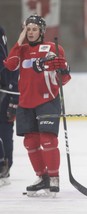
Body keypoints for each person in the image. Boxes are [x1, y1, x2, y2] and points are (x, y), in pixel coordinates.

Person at [3, 15, 71, 196]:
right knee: (30, 143)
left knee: (47, 140)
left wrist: (63, 70)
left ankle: (54, 177)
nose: (31, 32)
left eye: (34, 29)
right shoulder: (21, 50)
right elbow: (10, 65)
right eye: (28, 29)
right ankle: (42, 177)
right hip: (25, 102)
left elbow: (63, 79)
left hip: (47, 101)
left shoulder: (52, 48)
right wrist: (19, 40)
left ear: (41, 31)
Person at [0, 26, 19, 187]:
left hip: (4, 92)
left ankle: (4, 167)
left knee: (4, 129)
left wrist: (13, 99)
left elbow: (8, 67)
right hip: (6, 90)